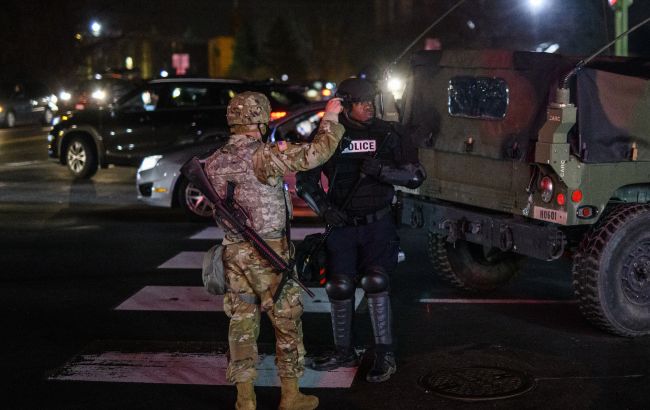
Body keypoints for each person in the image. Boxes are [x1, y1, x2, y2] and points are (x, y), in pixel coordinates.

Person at [204, 92, 344, 410]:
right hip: (269, 252)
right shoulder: (263, 156)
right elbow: (316, 153)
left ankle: (245, 400)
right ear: (260, 119)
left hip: (233, 253)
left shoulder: (213, 161)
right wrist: (331, 117)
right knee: (286, 322)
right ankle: (290, 395)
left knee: (241, 325)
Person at [296, 77, 425, 383]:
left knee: (376, 282)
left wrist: (382, 170)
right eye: (361, 103)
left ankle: (385, 354)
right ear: (345, 106)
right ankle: (343, 352)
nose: (369, 107)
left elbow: (416, 176)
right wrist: (325, 209)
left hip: (377, 224)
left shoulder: (389, 134)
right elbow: (305, 180)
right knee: (339, 286)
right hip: (342, 225)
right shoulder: (330, 135)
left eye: (371, 102)